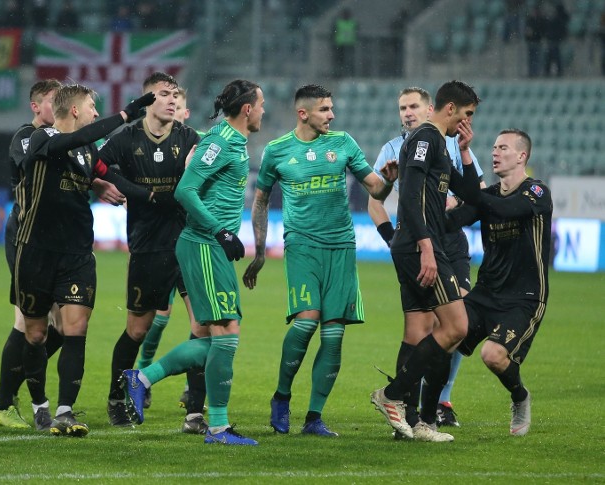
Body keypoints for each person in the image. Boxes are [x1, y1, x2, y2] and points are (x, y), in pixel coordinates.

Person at [242, 84, 396, 438]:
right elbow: (261, 202)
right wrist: (261, 251)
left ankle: (314, 417)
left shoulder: (343, 144)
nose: (332, 115)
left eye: (331, 108)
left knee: (333, 335)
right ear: (303, 113)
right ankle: (281, 397)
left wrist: (388, 181)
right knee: (306, 321)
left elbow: (376, 189)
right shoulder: (277, 151)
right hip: (302, 245)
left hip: (341, 246)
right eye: (325, 109)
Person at [123, 79, 265, 446]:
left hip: (211, 246)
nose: (264, 111)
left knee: (206, 333)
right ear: (247, 109)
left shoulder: (226, 139)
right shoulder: (220, 143)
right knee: (227, 335)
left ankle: (144, 379)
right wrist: (220, 231)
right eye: (261, 104)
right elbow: (185, 190)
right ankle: (216, 425)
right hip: (203, 244)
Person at [10, 83, 155, 437]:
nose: (94, 111)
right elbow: (70, 141)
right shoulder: (40, 138)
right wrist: (124, 115)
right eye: (91, 106)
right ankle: (39, 404)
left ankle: (64, 411)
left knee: (75, 329)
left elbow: (111, 173)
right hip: (34, 251)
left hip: (76, 254)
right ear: (75, 110)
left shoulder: (88, 150)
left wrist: (152, 195)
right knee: (36, 333)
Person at [367, 86, 486, 432]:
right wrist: (426, 247)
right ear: (450, 108)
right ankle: (395, 396)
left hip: (426, 243)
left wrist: (464, 152)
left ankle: (415, 419)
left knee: (420, 330)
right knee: (456, 326)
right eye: (467, 114)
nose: (468, 121)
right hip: (421, 245)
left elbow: (471, 195)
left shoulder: (440, 142)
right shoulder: (424, 138)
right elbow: (411, 199)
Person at [98, 72, 205, 433]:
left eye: (176, 94)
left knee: (203, 326)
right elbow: (96, 167)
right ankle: (116, 398)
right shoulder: (126, 139)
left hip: (188, 245)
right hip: (146, 246)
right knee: (137, 330)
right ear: (146, 101)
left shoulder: (189, 137)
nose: (173, 100)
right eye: (164, 94)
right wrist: (137, 192)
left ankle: (195, 411)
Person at [446, 129, 551, 436]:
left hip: (525, 296)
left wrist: (467, 189)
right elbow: (455, 221)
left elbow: (508, 209)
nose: (494, 152)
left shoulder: (537, 192)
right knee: (443, 336)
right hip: (486, 293)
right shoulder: (489, 195)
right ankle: (425, 412)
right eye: (492, 147)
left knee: (492, 355)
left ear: (522, 156)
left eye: (502, 147)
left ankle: (519, 396)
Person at [0, 79, 65, 430]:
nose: (59, 107)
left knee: (64, 326)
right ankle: (4, 404)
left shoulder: (62, 138)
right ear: (36, 106)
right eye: (53, 101)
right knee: (26, 320)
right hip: (23, 235)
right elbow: (34, 168)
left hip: (53, 239)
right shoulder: (25, 136)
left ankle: (10, 381)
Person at [332, 8, 357, 78]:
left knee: (348, 61)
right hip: (341, 44)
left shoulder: (352, 23)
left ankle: (349, 74)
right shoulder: (339, 22)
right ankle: (340, 74)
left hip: (349, 44)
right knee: (340, 61)